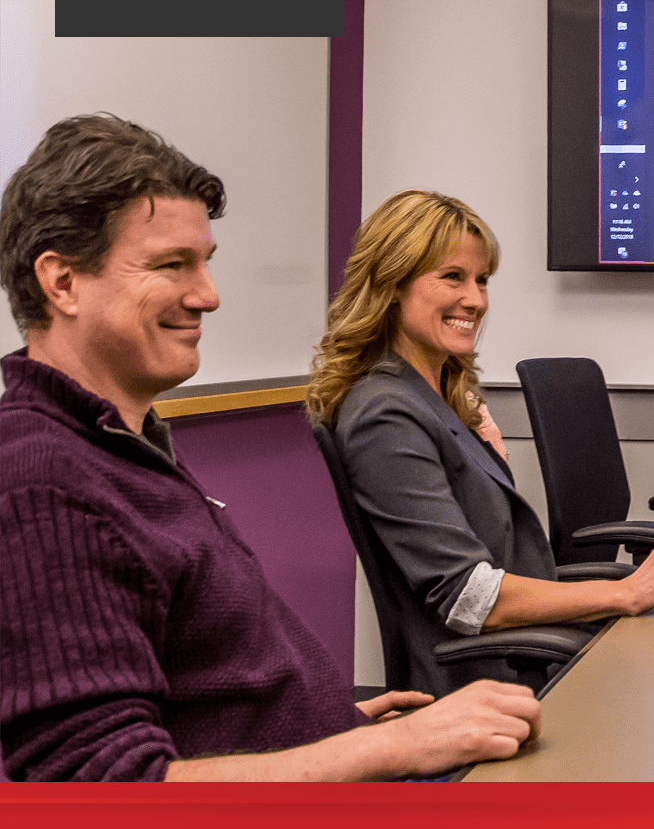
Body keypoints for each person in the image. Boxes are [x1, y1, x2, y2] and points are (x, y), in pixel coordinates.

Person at [0, 115, 541, 780]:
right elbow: (96, 796)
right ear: (60, 282)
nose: (209, 295)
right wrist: (388, 749)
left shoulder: (124, 447)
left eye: (205, 264)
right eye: (172, 265)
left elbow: (206, 701)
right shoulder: (45, 483)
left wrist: (334, 729)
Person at [306, 191, 654, 696]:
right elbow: (468, 597)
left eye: (482, 280)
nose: (475, 300)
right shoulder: (385, 414)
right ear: (390, 285)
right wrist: (624, 592)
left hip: (522, 661)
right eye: (452, 277)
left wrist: (486, 456)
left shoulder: (433, 399)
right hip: (490, 687)